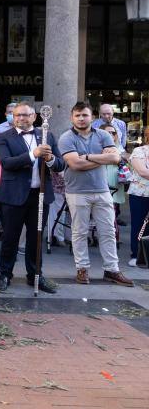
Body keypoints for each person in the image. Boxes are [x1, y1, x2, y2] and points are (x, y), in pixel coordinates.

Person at [58, 102, 133, 286]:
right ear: (72, 118)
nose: (81, 119)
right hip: (77, 192)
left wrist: (88, 157)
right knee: (80, 232)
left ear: (92, 117)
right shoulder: (66, 138)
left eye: (85, 115)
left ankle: (112, 270)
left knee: (108, 231)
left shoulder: (104, 135)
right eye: (78, 115)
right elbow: (75, 164)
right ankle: (82, 269)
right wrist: (101, 158)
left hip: (102, 190)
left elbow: (115, 158)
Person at [0, 102, 65, 293]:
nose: (20, 118)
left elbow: (61, 165)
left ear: (34, 116)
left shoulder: (47, 135)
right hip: (13, 195)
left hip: (39, 195)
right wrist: (33, 154)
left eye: (24, 115)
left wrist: (50, 160)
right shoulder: (3, 137)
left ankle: (35, 275)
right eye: (16, 115)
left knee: (37, 237)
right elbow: (7, 163)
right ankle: (4, 274)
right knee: (10, 236)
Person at [127, 126, 149, 267]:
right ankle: (137, 255)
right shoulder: (139, 151)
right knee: (139, 225)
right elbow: (142, 171)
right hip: (140, 194)